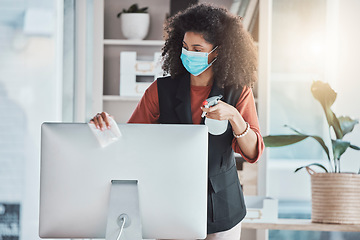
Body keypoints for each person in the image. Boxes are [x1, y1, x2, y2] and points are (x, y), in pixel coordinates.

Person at [90, 3, 264, 240]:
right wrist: (106, 127)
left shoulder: (238, 92)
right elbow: (131, 140)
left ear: (219, 52)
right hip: (170, 201)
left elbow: (253, 152)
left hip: (222, 206)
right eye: (184, 46)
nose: (188, 53)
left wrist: (234, 116)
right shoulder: (160, 91)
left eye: (197, 48)